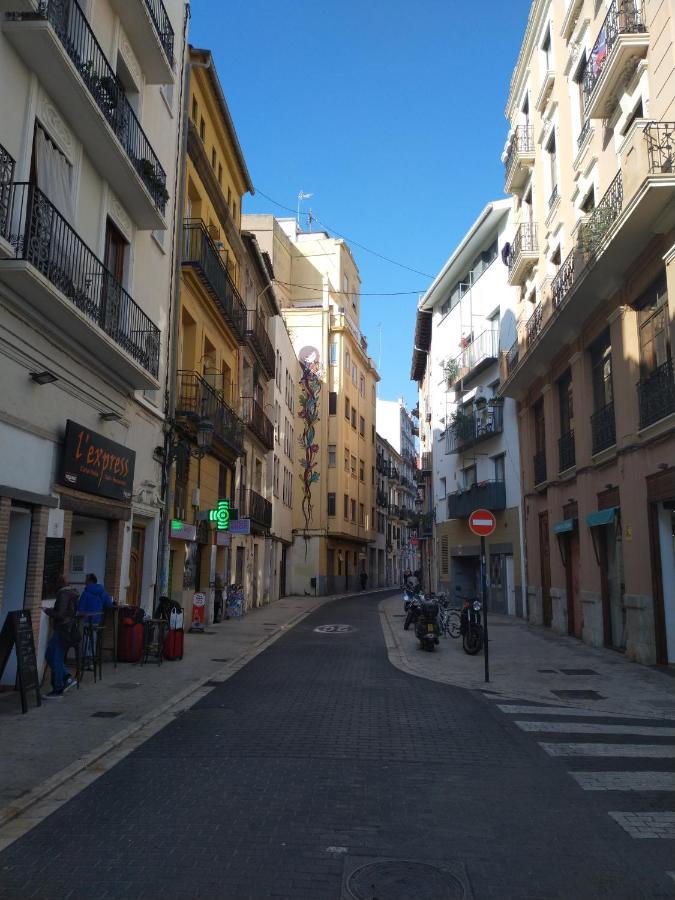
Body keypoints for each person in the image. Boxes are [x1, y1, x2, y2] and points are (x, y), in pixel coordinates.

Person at [44, 575, 79, 698]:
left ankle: (57, 689)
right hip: (66, 629)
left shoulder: (63, 595)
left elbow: (61, 614)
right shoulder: (69, 593)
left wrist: (47, 611)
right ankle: (67, 678)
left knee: (55, 657)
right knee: (49, 655)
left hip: (62, 629)